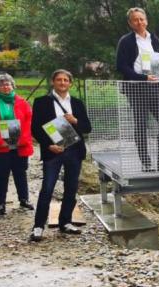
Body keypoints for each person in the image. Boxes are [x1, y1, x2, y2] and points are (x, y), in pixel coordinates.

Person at [29, 69, 92, 241]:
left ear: (70, 83)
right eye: (59, 80)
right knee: (47, 188)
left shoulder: (77, 103)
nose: (62, 82)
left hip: (74, 150)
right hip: (54, 150)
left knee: (71, 188)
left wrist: (75, 121)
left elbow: (87, 128)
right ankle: (38, 226)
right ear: (53, 82)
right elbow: (35, 128)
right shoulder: (42, 102)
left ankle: (65, 222)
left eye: (66, 80)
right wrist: (49, 145)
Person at [115, 7, 159, 172]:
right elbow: (120, 66)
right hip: (136, 88)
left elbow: (158, 62)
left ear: (146, 20)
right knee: (141, 125)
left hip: (156, 88)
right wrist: (143, 78)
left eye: (141, 19)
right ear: (130, 23)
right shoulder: (126, 41)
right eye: (135, 19)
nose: (139, 22)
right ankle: (146, 162)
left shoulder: (154, 39)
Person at [0, 73, 33, 216]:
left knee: (20, 173)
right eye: (2, 85)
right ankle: (1, 203)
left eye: (8, 84)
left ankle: (24, 199)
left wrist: (22, 139)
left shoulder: (22, 102)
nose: (5, 87)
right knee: (1, 174)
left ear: (13, 85)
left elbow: (29, 121)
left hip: (20, 145)